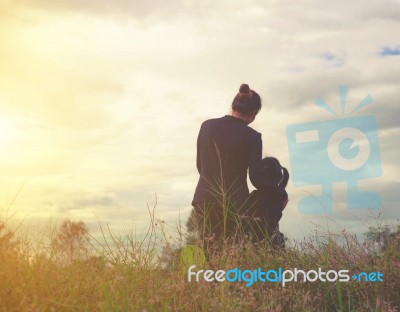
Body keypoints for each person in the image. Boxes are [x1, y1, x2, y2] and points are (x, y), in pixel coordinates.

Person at [189, 84, 288, 250]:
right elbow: (256, 177)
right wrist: (281, 193)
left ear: (234, 106)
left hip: (203, 200)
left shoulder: (207, 126)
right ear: (253, 114)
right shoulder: (253, 136)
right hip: (234, 204)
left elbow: (201, 166)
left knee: (211, 257)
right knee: (231, 256)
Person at [246, 157, 289, 249]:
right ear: (278, 177)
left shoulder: (253, 196)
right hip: (276, 243)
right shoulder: (281, 197)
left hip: (255, 244)